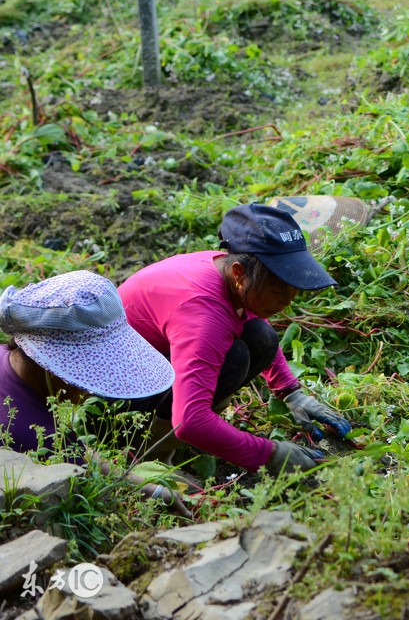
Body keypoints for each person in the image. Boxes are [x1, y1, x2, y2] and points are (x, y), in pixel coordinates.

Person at [119, 204, 351, 474]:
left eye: (293, 288)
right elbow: (190, 420)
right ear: (239, 273)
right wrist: (271, 454)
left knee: (261, 337)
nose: (287, 301)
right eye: (278, 289)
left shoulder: (226, 267)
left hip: (149, 366)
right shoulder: (202, 314)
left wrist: (291, 392)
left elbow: (251, 318)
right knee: (235, 358)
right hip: (113, 403)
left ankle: (167, 434)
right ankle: (148, 454)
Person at [0, 270, 186, 509]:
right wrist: (148, 491)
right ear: (52, 368)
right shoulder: (38, 439)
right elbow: (87, 472)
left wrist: (149, 487)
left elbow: (81, 453)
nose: (93, 391)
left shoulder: (8, 360)